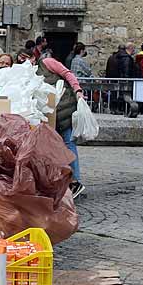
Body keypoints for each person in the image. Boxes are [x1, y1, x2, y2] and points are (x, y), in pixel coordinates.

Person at [17, 49, 86, 198]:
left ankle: (76, 182)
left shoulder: (48, 63)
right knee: (51, 148)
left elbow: (67, 73)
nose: (24, 61)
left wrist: (78, 90)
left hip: (65, 108)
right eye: (20, 59)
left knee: (68, 143)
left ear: (33, 58)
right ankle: (64, 182)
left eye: (26, 58)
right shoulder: (24, 74)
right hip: (48, 115)